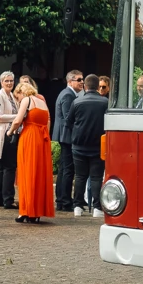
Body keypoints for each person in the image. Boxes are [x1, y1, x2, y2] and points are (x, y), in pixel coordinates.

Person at [11, 78, 53, 223]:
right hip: (43, 139)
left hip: (29, 137)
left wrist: (10, 132)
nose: (18, 99)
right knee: (40, 174)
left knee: (26, 173)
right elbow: (48, 122)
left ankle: (26, 210)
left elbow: (17, 120)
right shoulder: (42, 102)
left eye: (18, 96)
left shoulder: (27, 100)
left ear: (21, 92)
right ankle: (36, 212)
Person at [65, 75, 109, 215]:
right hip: (98, 145)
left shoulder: (77, 101)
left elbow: (68, 122)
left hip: (79, 144)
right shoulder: (105, 102)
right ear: (97, 87)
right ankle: (97, 207)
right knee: (96, 177)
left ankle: (77, 206)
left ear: (85, 86)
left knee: (79, 176)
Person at [52, 70, 82, 210]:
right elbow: (67, 118)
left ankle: (61, 200)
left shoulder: (68, 94)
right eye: (79, 79)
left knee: (65, 168)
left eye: (82, 79)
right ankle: (64, 200)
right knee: (67, 169)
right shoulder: (68, 95)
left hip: (64, 135)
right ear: (70, 81)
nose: (82, 82)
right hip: (67, 136)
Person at [0, 71, 20, 207]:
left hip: (10, 132)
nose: (9, 83)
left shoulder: (11, 96)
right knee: (9, 167)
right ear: (1, 83)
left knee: (2, 167)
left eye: (11, 81)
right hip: (4, 134)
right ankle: (7, 199)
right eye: (6, 81)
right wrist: (17, 116)